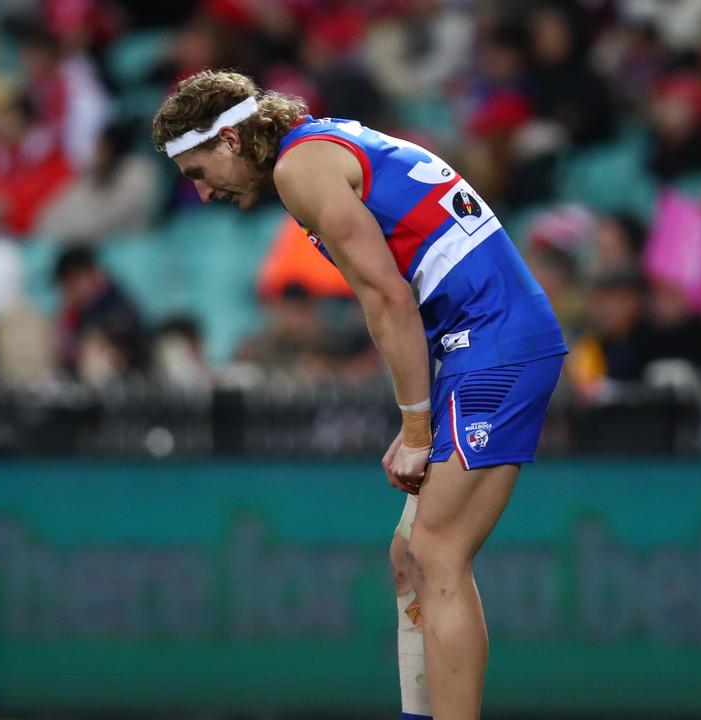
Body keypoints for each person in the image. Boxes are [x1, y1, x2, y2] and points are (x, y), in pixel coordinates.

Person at [153, 70, 568, 720]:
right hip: (481, 341)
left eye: (198, 170)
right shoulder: (321, 144)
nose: (202, 191)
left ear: (231, 140)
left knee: (437, 555)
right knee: (408, 556)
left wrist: (416, 430)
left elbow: (387, 299)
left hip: (493, 344)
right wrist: (417, 418)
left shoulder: (300, 170)